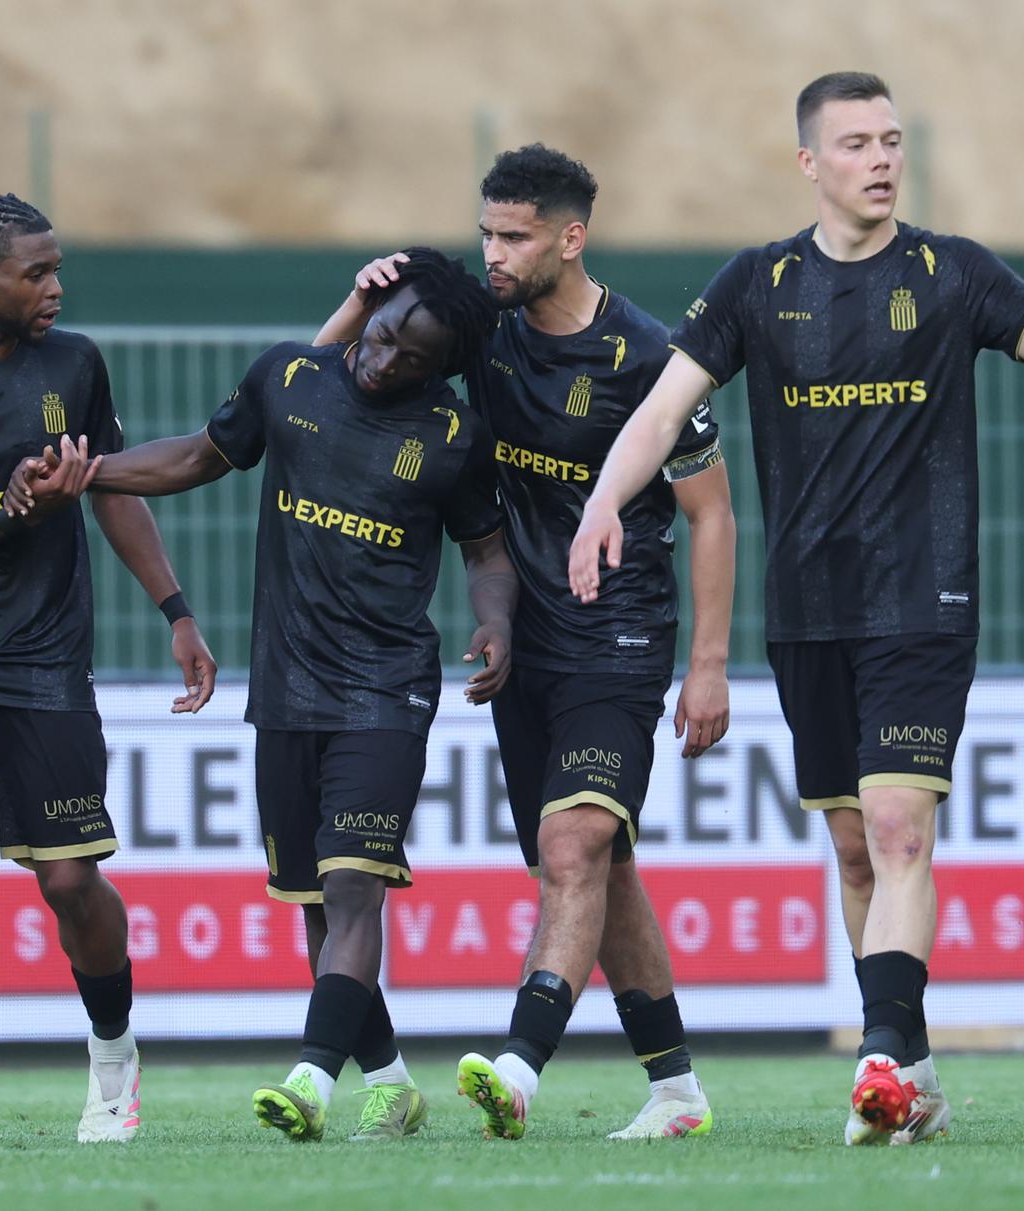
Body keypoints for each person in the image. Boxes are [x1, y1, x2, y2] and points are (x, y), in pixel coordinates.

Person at [569, 71, 1024, 1144]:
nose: (880, 158)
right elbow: (662, 406)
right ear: (809, 162)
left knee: (903, 828)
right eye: (855, 142)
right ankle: (914, 1073)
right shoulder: (756, 283)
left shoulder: (953, 274)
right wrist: (599, 502)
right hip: (810, 611)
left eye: (892, 139)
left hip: (925, 600)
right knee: (856, 849)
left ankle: (877, 1058)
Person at [16, 247, 515, 1143]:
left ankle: (312, 1081)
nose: (384, 354)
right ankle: (392, 1082)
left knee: (355, 886)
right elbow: (198, 458)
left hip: (386, 690)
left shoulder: (453, 435)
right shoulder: (291, 376)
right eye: (385, 330)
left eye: (411, 354)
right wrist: (86, 475)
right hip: (286, 690)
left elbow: (485, 549)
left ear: (439, 369)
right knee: (316, 905)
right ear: (373, 306)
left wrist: (496, 620)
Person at [312, 145, 735, 1141]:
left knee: (572, 840)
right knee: (598, 864)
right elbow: (326, 386)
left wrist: (709, 663)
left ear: (570, 237)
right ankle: (675, 1088)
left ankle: (518, 1065)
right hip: (523, 645)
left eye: (514, 236)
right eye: (486, 232)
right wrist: (354, 300)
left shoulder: (648, 357)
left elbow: (712, 514)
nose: (493, 253)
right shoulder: (482, 331)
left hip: (621, 632)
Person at [0, 193, 218, 1146]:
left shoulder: (74, 363)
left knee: (67, 882)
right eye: (37, 273)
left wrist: (176, 612)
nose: (55, 289)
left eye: (58, 269)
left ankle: (113, 1054)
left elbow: (108, 492)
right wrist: (6, 516)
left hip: (48, 664)